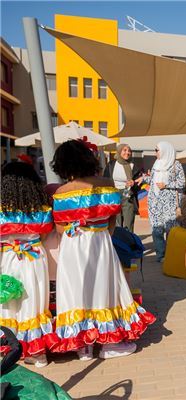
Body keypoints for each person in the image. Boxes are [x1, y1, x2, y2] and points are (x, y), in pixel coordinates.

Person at [50, 139, 155, 360]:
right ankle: (109, 344)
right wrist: (100, 234)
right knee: (104, 288)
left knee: (77, 289)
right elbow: (112, 220)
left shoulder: (62, 191)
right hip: (100, 240)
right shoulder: (107, 184)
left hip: (73, 244)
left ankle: (83, 347)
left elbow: (60, 228)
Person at [0, 162, 57, 367]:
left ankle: (10, 347)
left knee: (8, 304)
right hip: (34, 257)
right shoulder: (42, 209)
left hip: (8, 257)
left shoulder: (2, 210)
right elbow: (44, 234)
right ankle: (37, 353)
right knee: (33, 303)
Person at [140, 141, 185, 263]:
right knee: (156, 230)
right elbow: (153, 180)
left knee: (170, 231)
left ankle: (170, 255)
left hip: (170, 204)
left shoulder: (176, 165)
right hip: (154, 202)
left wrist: (166, 185)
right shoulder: (156, 163)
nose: (155, 153)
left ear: (165, 150)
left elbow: (182, 182)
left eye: (157, 150)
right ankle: (160, 255)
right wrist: (143, 179)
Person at [104, 143, 139, 232]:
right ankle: (118, 240)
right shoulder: (111, 164)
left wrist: (134, 183)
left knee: (129, 222)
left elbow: (138, 182)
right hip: (114, 194)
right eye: (125, 150)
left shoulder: (133, 165)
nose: (127, 153)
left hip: (128, 195)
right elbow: (105, 179)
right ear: (119, 151)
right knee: (116, 223)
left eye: (129, 151)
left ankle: (128, 239)